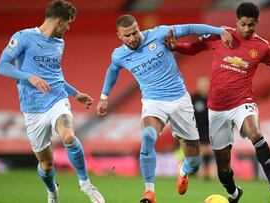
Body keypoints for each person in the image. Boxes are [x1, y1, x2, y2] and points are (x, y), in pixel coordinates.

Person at [165, 2, 270, 203]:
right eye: (243, 24)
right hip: (216, 108)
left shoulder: (262, 47)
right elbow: (194, 48)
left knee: (255, 133)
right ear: (237, 21)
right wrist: (177, 46)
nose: (246, 29)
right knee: (223, 168)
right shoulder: (221, 35)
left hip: (242, 102)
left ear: (257, 23)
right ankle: (234, 193)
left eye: (251, 25)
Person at [96, 14, 232, 203]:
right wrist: (104, 97)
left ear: (139, 28)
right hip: (153, 102)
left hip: (180, 101)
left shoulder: (158, 34)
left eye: (135, 32)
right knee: (147, 136)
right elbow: (113, 70)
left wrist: (219, 31)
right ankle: (149, 192)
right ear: (119, 35)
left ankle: (183, 170)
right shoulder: (119, 55)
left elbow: (190, 27)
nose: (133, 38)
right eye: (127, 35)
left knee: (194, 163)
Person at [0, 1, 105, 203]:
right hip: (32, 108)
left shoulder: (59, 43)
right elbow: (1, 67)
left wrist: (75, 93)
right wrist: (29, 76)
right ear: (58, 21)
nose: (69, 28)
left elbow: (55, 76)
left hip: (56, 101)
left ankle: (85, 183)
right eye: (68, 23)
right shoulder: (23, 37)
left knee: (69, 136)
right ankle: (52, 190)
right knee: (46, 165)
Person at [191, 77, 215, 180]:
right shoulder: (193, 98)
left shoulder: (213, 99)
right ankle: (200, 171)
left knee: (206, 150)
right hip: (195, 130)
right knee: (199, 151)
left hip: (209, 130)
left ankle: (207, 172)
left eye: (205, 85)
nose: (204, 88)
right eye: (202, 85)